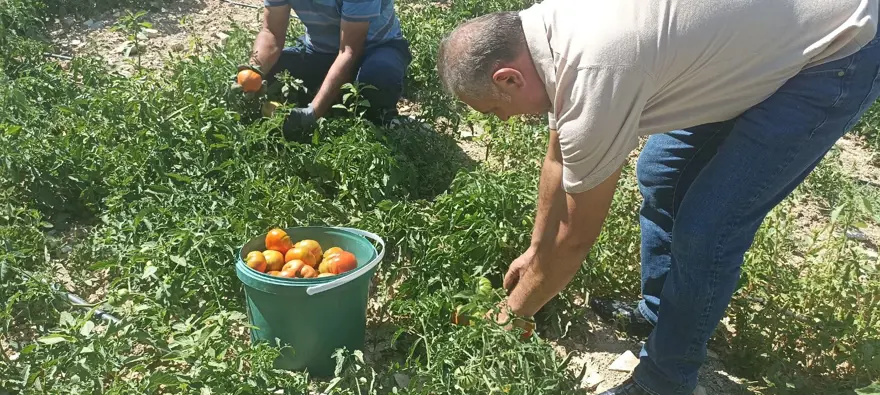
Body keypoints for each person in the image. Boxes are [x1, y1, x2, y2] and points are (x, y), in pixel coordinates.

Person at [436, 0, 878, 393]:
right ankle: (660, 310)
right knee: (660, 172)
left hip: (833, 49)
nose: (507, 119)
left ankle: (667, 378)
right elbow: (558, 157)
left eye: (494, 109)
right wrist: (534, 248)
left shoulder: (593, 69)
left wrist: (509, 316)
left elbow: (574, 239)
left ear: (509, 78)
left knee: (709, 226)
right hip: (750, 45)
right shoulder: (546, 33)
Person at [240, 0, 412, 140]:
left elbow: (349, 51)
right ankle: (334, 98)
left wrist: (313, 112)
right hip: (321, 50)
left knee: (378, 77)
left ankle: (380, 117)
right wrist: (253, 72)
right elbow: (271, 32)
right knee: (271, 72)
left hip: (376, 48)